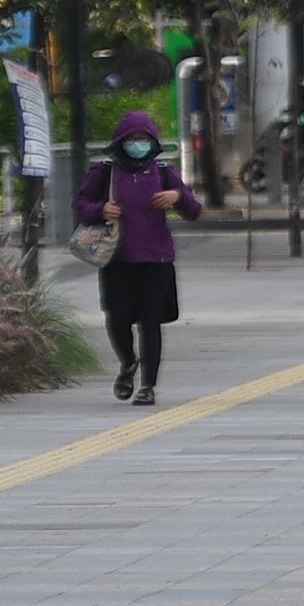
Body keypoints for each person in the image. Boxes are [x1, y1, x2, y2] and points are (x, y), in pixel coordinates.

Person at [74, 110, 200, 403]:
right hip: (117, 259)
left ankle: (148, 387)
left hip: (155, 260)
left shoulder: (164, 173)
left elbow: (194, 210)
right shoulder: (105, 172)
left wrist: (177, 197)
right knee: (117, 318)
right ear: (120, 142)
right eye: (132, 139)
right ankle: (128, 362)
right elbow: (81, 203)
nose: (138, 144)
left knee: (150, 321)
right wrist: (100, 210)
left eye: (144, 139)